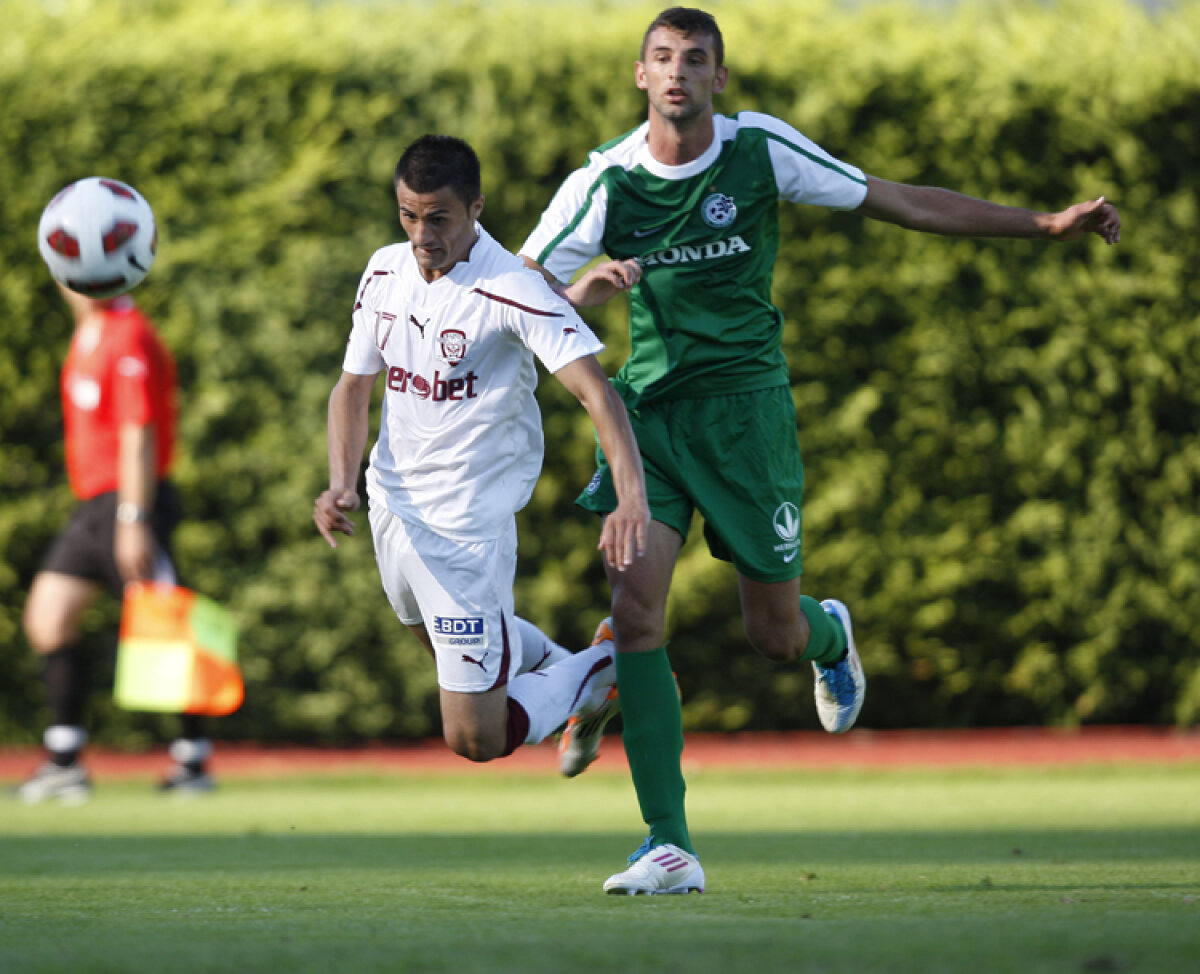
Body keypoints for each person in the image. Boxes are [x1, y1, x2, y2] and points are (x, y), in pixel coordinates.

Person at [520, 6, 1122, 895]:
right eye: (661, 58)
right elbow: (520, 287)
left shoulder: (761, 149)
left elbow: (899, 199)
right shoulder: (604, 182)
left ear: (720, 80)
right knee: (638, 609)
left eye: (695, 59)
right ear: (640, 76)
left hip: (748, 423)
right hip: (647, 421)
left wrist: (1041, 225)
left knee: (773, 635)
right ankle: (668, 844)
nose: (677, 72)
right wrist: (582, 288)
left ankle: (829, 635)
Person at [312, 135, 649, 770]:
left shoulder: (512, 287)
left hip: (467, 532)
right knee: (449, 654)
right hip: (392, 510)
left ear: (476, 208)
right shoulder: (383, 270)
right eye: (409, 215)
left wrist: (631, 499)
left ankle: (601, 666)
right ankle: (575, 669)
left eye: (437, 218)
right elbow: (353, 387)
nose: (421, 235)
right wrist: (341, 483)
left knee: (474, 738)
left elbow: (597, 394)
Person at [17, 285, 216, 804]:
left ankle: (193, 762)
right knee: (47, 618)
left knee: (169, 625)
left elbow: (139, 429)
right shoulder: (91, 330)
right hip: (94, 506)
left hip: (130, 501)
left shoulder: (129, 332)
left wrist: (133, 516)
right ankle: (64, 763)